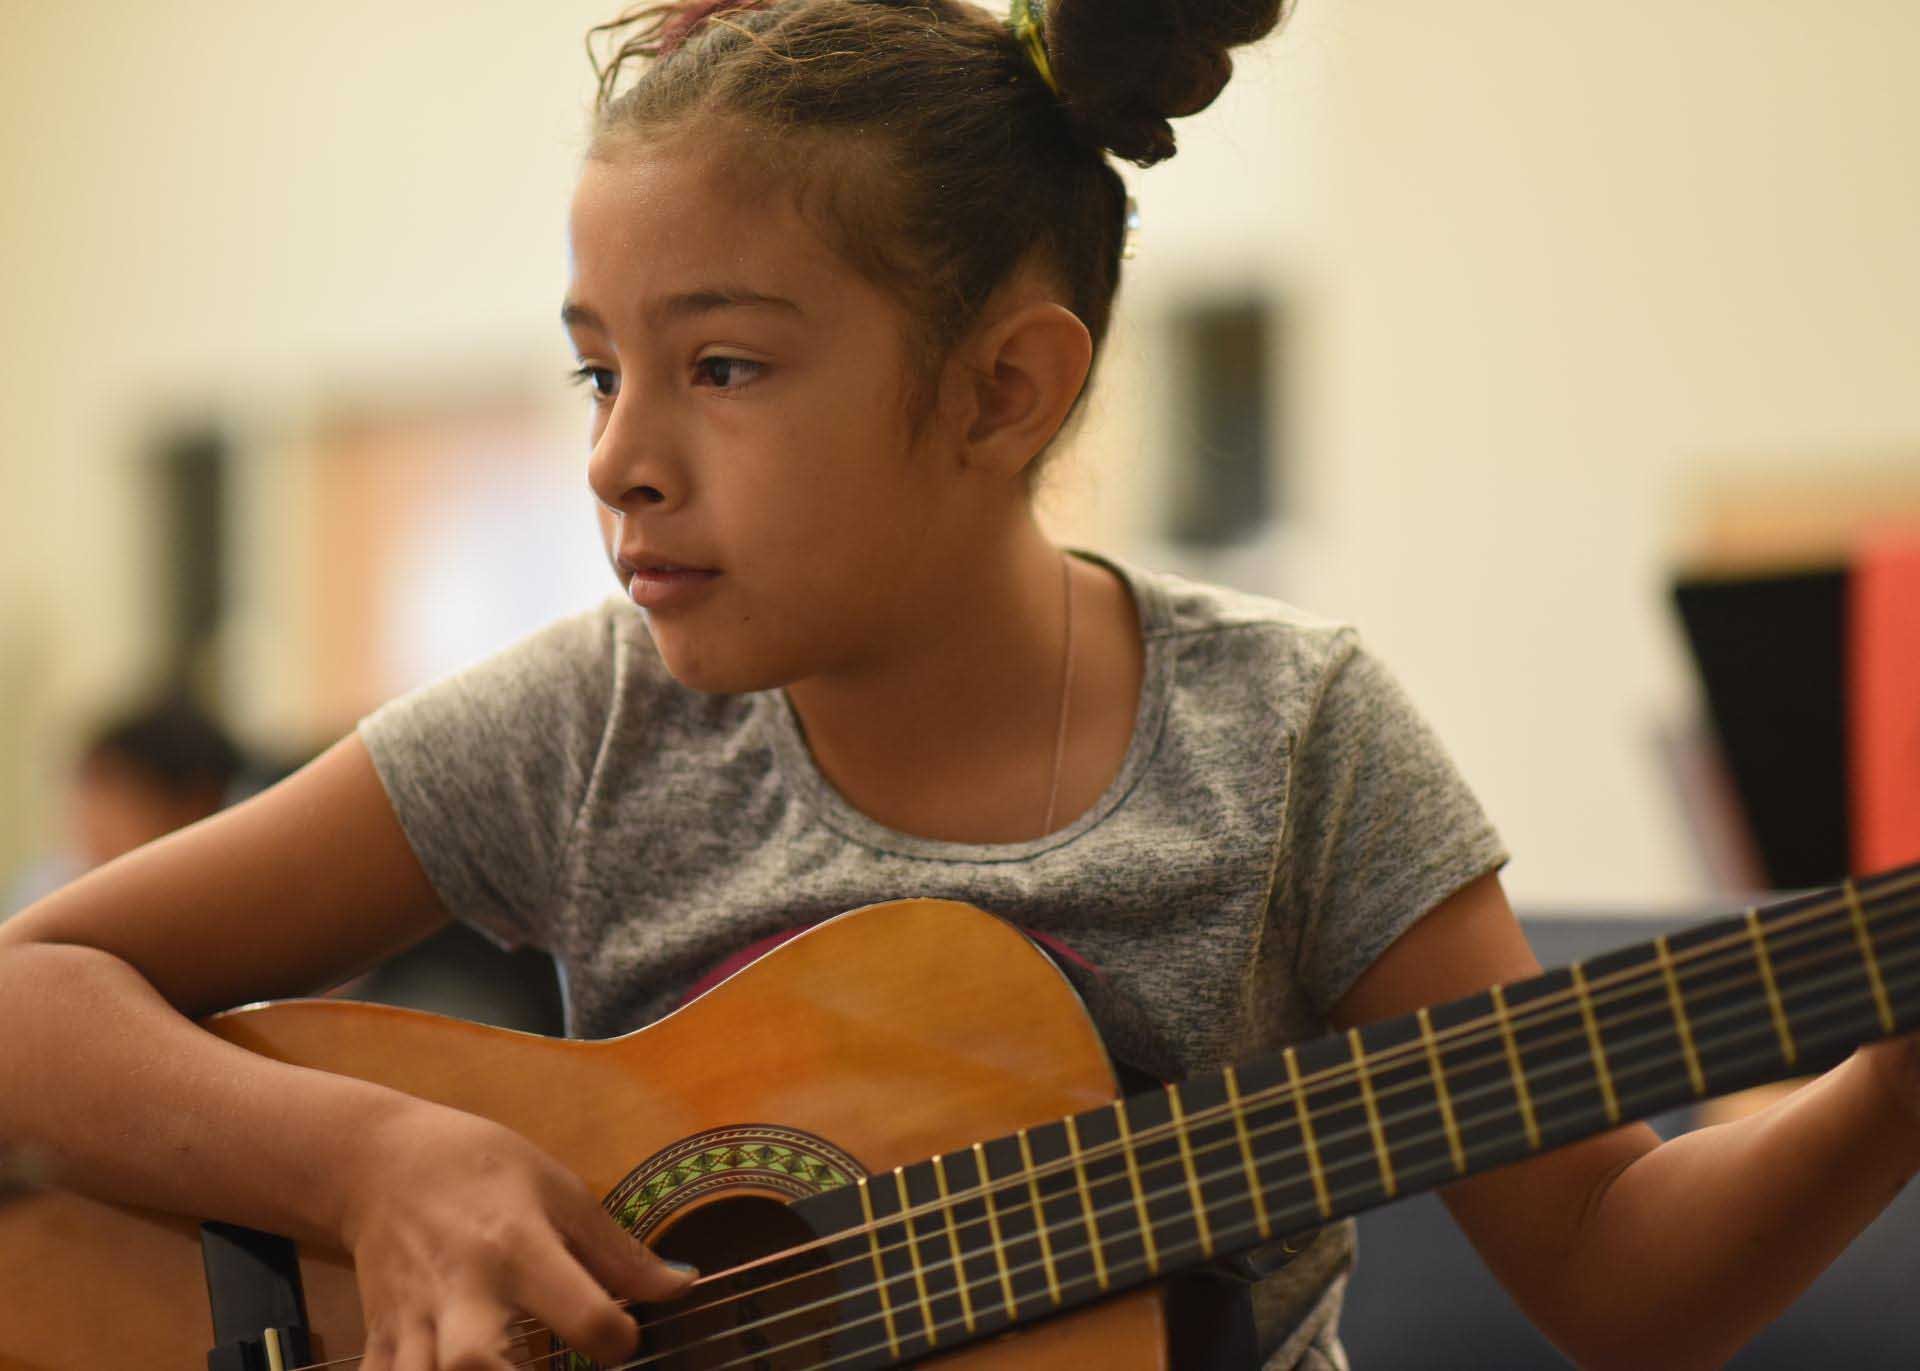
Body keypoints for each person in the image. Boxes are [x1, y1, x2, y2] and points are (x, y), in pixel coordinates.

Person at [3, 2, 1919, 1368]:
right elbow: (34, 995)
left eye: (724, 368)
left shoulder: (1291, 743)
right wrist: (383, 1160)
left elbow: (1617, 1277)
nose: (620, 457)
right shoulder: (593, 725)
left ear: (1005, 389)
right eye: (603, 370)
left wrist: (1890, 1080)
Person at [2, 693, 245, 915]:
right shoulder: (45, 889)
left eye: (110, 793)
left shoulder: (217, 904)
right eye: (84, 796)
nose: (88, 820)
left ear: (194, 808)